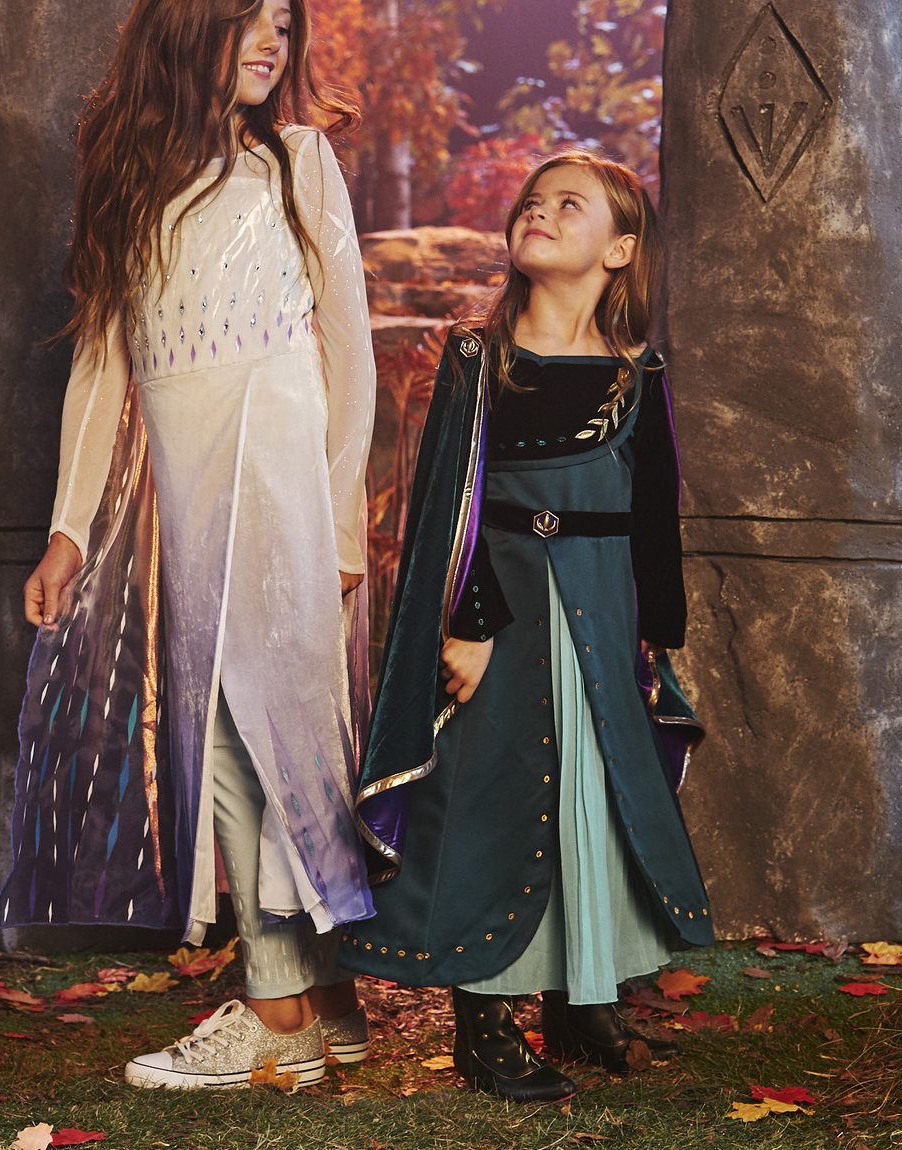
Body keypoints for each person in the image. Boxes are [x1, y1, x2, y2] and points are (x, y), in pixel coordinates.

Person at [2, 0, 376, 1090]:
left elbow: (348, 349)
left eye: (282, 24)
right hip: (194, 490)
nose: (270, 41)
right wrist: (69, 528)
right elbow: (101, 362)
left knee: (265, 732)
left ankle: (277, 1010)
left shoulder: (298, 161)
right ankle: (327, 1005)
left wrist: (341, 521)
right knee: (224, 725)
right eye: (244, 18)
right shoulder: (128, 177)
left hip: (283, 478)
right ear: (182, 28)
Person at [340, 153, 712, 1102]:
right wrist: (467, 624)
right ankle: (486, 1019)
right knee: (494, 795)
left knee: (596, 794)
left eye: (569, 205)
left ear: (620, 250)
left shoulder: (637, 375)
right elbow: (447, 505)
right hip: (504, 612)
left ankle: (583, 1000)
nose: (540, 212)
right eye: (532, 202)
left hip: (603, 615)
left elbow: (653, 514)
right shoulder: (480, 359)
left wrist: (654, 641)